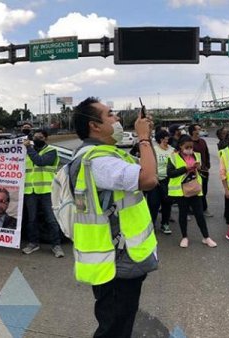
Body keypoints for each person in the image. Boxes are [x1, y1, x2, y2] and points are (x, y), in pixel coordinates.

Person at [70, 97, 158, 338]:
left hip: (119, 258)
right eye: (110, 114)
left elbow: (151, 172)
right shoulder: (97, 161)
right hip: (117, 262)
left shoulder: (106, 155)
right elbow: (149, 180)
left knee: (119, 324)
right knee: (115, 329)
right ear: (94, 126)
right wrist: (143, 138)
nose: (117, 118)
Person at [167, 135, 217, 248]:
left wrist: (199, 168)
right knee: (183, 214)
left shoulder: (196, 155)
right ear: (180, 146)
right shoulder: (173, 157)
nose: (189, 149)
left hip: (195, 189)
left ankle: (206, 237)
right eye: (187, 147)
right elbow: (170, 173)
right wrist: (185, 169)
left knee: (199, 214)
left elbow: (202, 170)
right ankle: (184, 237)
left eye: (191, 147)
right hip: (181, 191)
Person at [22, 129, 64, 258]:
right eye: (35, 137)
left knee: (51, 219)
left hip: (47, 190)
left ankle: (56, 245)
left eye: (40, 137)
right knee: (32, 219)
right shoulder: (26, 151)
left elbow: (40, 161)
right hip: (30, 190)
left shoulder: (51, 151)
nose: (36, 139)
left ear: (46, 138)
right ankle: (33, 243)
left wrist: (29, 147)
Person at [146, 130, 175, 234]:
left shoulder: (172, 150)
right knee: (153, 203)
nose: (167, 139)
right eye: (165, 138)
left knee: (167, 203)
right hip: (155, 181)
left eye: (167, 137)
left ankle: (165, 224)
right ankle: (151, 224)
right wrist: (154, 176)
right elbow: (149, 164)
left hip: (168, 181)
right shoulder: (154, 150)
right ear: (160, 139)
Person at [188, 123, 213, 217]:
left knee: (204, 190)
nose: (200, 130)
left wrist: (207, 165)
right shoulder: (188, 142)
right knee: (192, 190)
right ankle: (191, 209)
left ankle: (204, 209)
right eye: (198, 129)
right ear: (193, 131)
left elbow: (207, 153)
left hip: (203, 170)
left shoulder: (202, 141)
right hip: (192, 170)